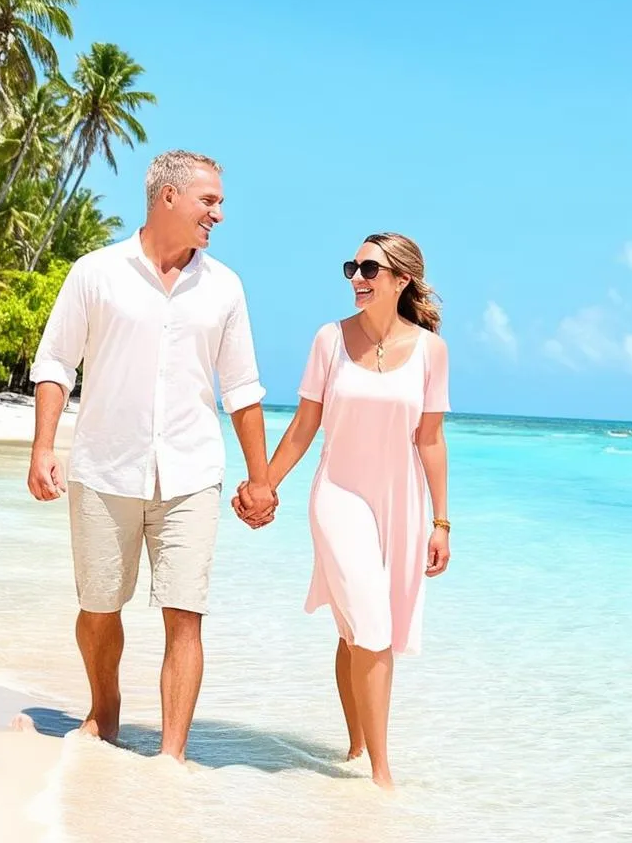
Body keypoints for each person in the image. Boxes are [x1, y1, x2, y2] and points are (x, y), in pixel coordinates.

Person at [27, 149, 277, 762]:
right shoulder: (96, 273)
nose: (219, 213)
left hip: (192, 472)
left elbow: (241, 389)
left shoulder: (225, 288)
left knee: (185, 613)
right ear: (168, 198)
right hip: (105, 466)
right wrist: (42, 446)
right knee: (98, 606)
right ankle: (105, 708)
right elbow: (56, 363)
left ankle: (172, 756)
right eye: (208, 200)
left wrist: (261, 479)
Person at [234, 232, 450, 789]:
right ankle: (381, 777)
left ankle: (356, 745)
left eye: (371, 269)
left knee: (359, 629)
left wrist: (441, 522)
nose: (357, 277)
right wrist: (264, 486)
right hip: (338, 496)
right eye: (352, 267)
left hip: (400, 502)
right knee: (371, 625)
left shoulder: (431, 351)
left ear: (401, 280)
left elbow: (429, 439)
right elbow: (306, 426)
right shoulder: (330, 340)